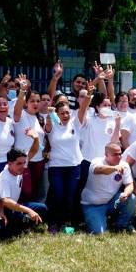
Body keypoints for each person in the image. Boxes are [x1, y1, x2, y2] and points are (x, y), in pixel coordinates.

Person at [44, 90, 89, 230]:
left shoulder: (75, 123)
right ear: (57, 114)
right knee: (57, 196)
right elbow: (48, 122)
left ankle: (65, 223)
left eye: (67, 112)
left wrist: (88, 95)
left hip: (74, 167)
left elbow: (83, 108)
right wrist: (50, 113)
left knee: (70, 197)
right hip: (56, 167)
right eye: (62, 113)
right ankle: (52, 223)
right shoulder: (52, 124)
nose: (65, 115)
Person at [78, 141, 136, 234]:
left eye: (120, 154)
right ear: (106, 155)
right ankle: (97, 220)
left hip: (111, 202)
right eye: (115, 155)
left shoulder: (124, 165)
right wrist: (114, 168)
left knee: (131, 198)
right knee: (99, 233)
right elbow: (99, 170)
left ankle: (122, 225)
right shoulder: (97, 161)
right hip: (93, 205)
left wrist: (126, 194)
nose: (119, 157)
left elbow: (129, 184)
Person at [0, 148, 47, 235]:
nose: (23, 166)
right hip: (3, 210)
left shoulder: (17, 170)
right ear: (9, 164)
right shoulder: (4, 178)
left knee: (42, 208)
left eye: (24, 163)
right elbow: (6, 201)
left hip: (16, 206)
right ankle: (23, 223)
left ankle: (24, 221)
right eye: (19, 163)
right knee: (10, 229)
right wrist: (28, 211)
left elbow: (33, 151)